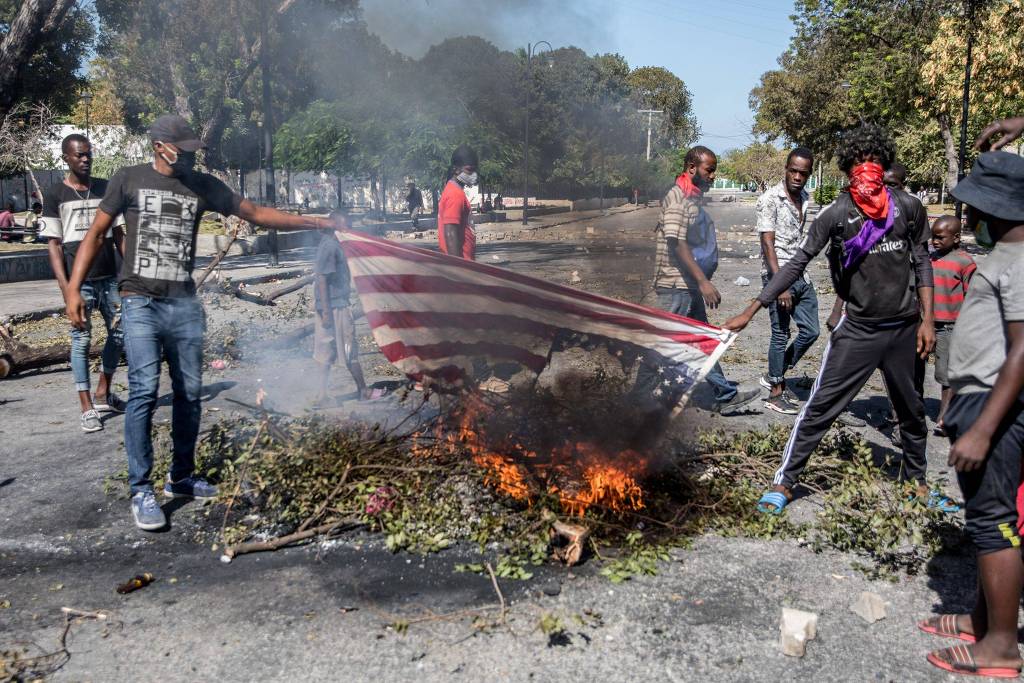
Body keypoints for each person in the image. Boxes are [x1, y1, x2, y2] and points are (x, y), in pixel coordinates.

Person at [64, 114, 346, 531]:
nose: (192, 156)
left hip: (184, 305)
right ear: (161, 145)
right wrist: (73, 289)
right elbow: (96, 235)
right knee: (143, 389)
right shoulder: (129, 179)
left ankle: (180, 475)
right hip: (140, 301)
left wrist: (318, 222)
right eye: (185, 148)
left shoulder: (203, 185)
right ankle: (141, 489)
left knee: (189, 393)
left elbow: (255, 212)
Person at [724, 124, 946, 514]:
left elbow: (922, 261)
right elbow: (797, 262)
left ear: (883, 163)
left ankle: (919, 484)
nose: (867, 170)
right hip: (858, 331)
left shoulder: (908, 206)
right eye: (859, 163)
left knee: (912, 413)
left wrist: (927, 321)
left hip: (904, 329)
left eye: (873, 161)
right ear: (847, 169)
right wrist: (753, 307)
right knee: (820, 407)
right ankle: (785, 481)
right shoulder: (837, 213)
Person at [919, 151, 1024, 679]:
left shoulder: (1021, 259)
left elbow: (1023, 349)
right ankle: (981, 622)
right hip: (977, 397)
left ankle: (1001, 647)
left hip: (993, 408)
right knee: (986, 519)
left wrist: (982, 429)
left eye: (974, 210)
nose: (970, 220)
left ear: (995, 209)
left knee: (993, 524)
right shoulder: (1006, 253)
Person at [645, 145, 759, 415]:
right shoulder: (677, 198)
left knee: (702, 340)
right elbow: (677, 244)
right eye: (709, 170)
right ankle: (638, 398)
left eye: (714, 171)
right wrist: (704, 282)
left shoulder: (690, 198)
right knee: (660, 344)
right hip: (675, 286)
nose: (713, 176)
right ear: (691, 168)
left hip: (687, 285)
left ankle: (724, 394)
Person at [39, 133, 127, 432]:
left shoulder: (106, 188)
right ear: (66, 158)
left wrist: (129, 272)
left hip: (110, 279)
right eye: (79, 155)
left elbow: (119, 234)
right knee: (80, 341)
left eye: (89, 154)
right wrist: (67, 289)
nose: (86, 159)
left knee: (120, 333)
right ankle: (86, 406)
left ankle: (103, 391)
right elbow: (53, 245)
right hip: (81, 285)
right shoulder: (54, 195)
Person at [756, 147, 819, 414]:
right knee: (780, 334)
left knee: (811, 331)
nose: (796, 176)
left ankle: (776, 371)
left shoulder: (805, 197)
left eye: (802, 173)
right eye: (792, 170)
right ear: (786, 168)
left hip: (801, 273)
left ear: (808, 174)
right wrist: (779, 284)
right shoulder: (770, 199)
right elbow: (767, 244)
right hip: (778, 274)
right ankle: (775, 392)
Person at [313, 212, 369, 404]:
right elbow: (322, 279)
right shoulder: (331, 246)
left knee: (325, 352)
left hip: (328, 305)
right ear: (334, 225)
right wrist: (328, 313)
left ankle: (322, 395)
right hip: (335, 307)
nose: (348, 230)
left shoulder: (330, 244)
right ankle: (363, 390)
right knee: (349, 349)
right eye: (345, 226)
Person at [929, 215, 976, 436]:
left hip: (950, 325)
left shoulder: (965, 262)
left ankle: (945, 416)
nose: (934, 242)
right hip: (926, 323)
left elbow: (972, 296)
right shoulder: (929, 259)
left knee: (946, 373)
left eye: (940, 238)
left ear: (956, 238)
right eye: (932, 237)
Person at [437, 145, 478, 260]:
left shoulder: (453, 190)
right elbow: (450, 233)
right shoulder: (455, 194)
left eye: (474, 170)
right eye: (469, 170)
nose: (473, 175)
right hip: (461, 264)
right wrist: (459, 268)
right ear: (455, 169)